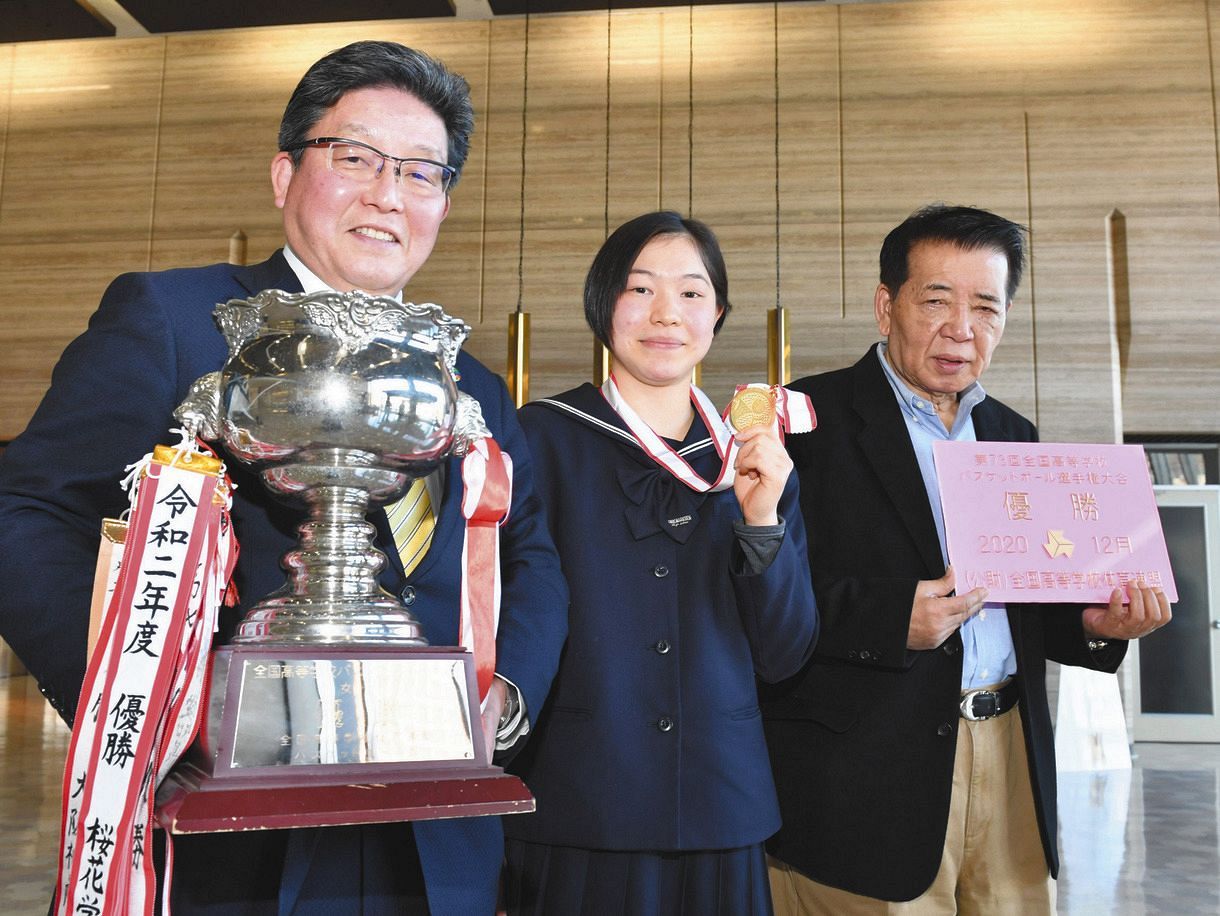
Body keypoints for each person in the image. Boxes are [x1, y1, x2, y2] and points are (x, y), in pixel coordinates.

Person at [0, 40, 569, 914]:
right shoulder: (175, 321)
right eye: (356, 158)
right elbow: (29, 510)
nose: (389, 193)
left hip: (436, 834)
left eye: (421, 172)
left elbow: (530, 554)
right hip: (228, 834)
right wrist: (145, 697)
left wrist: (507, 694)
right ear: (284, 174)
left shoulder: (472, 384)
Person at [760, 204, 1172, 915]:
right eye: (936, 301)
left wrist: (1096, 623)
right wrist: (890, 619)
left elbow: (1030, 596)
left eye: (986, 307)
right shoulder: (800, 421)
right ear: (886, 306)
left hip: (1011, 754)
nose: (961, 329)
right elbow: (759, 597)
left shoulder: (1013, 433)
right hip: (864, 772)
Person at [503, 210, 819, 915]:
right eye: (640, 288)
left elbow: (785, 654)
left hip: (721, 805)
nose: (666, 313)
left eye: (691, 293)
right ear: (602, 304)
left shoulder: (755, 458)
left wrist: (761, 521)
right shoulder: (538, 439)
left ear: (717, 314)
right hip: (581, 804)